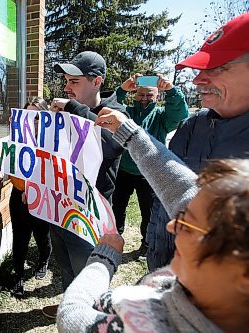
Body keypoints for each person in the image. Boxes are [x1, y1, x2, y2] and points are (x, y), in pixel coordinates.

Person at [56, 107, 249, 332]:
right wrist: (131, 135)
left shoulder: (149, 326)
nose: (171, 224)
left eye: (187, 224)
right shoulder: (215, 282)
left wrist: (103, 260)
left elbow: (72, 315)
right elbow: (181, 190)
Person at [146, 12, 249, 271]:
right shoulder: (193, 125)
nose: (198, 79)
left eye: (216, 68)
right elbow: (164, 199)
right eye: (201, 68)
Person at [42, 51, 128, 318]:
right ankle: (71, 305)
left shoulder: (116, 114)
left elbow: (108, 144)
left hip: (91, 218)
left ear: (97, 81)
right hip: (61, 208)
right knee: (65, 267)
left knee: (88, 274)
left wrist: (73, 109)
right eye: (66, 81)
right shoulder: (64, 114)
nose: (67, 88)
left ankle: (91, 317)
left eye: (74, 82)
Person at [112, 73, 188, 255]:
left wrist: (171, 91)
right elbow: (109, 107)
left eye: (149, 95)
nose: (144, 99)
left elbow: (180, 115)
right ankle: (115, 238)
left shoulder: (161, 117)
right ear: (135, 94)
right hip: (124, 169)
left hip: (149, 173)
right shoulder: (127, 113)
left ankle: (146, 244)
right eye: (140, 94)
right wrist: (122, 90)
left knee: (148, 212)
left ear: (157, 96)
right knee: (117, 208)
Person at [0, 97, 52, 297]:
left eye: (36, 117)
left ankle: (44, 259)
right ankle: (17, 274)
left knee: (42, 235)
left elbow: (53, 173)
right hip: (18, 197)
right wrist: (1, 174)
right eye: (27, 115)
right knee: (20, 237)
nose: (31, 121)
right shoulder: (15, 141)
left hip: (42, 197)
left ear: (44, 118)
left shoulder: (51, 142)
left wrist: (34, 188)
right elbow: (10, 167)